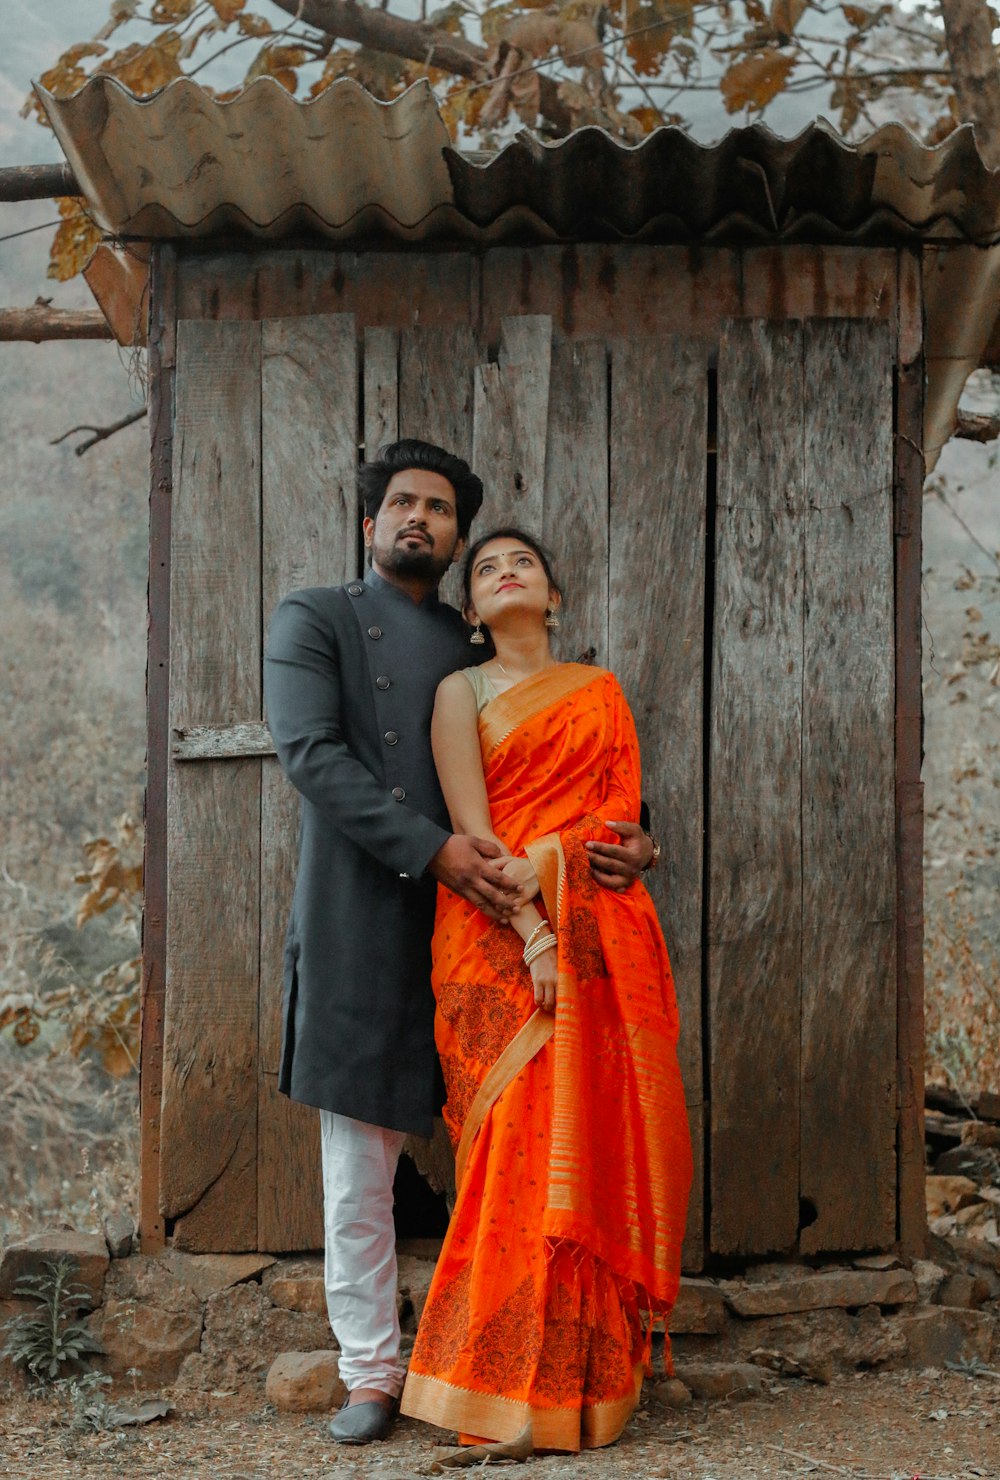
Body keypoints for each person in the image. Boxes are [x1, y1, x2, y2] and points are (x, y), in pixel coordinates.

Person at [263, 446, 654, 1445]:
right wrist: (441, 853)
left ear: (456, 538)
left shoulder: (470, 645)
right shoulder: (317, 619)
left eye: (439, 509)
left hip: (481, 924)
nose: (418, 518)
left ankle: (522, 1358)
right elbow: (313, 755)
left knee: (516, 1149)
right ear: (369, 524)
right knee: (359, 1165)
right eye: (401, 502)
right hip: (366, 915)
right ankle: (369, 1373)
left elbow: (573, 785)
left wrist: (632, 840)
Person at [400, 528, 692, 1454]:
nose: (504, 573)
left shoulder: (601, 694)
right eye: (485, 569)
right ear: (474, 613)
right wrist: (531, 935)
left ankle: (580, 1392)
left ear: (553, 597)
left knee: (583, 1148)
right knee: (510, 1152)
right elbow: (474, 842)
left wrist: (568, 864)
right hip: (490, 942)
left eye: (520, 562)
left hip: (596, 938)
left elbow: (618, 817)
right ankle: (494, 1388)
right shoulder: (461, 693)